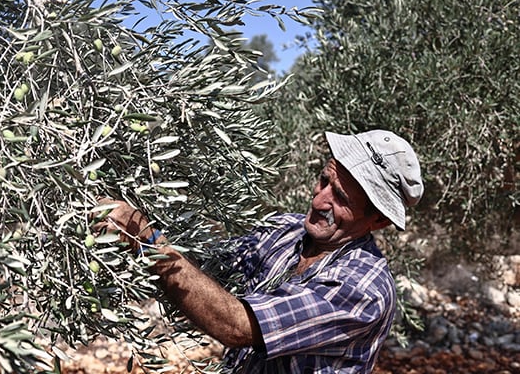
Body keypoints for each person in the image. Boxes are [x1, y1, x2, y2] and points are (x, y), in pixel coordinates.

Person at [95, 129, 424, 373]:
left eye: (340, 198)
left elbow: (236, 325)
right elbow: (208, 270)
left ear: (377, 221)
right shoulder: (287, 229)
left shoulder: (363, 288)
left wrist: (146, 236)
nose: (319, 200)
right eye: (323, 180)